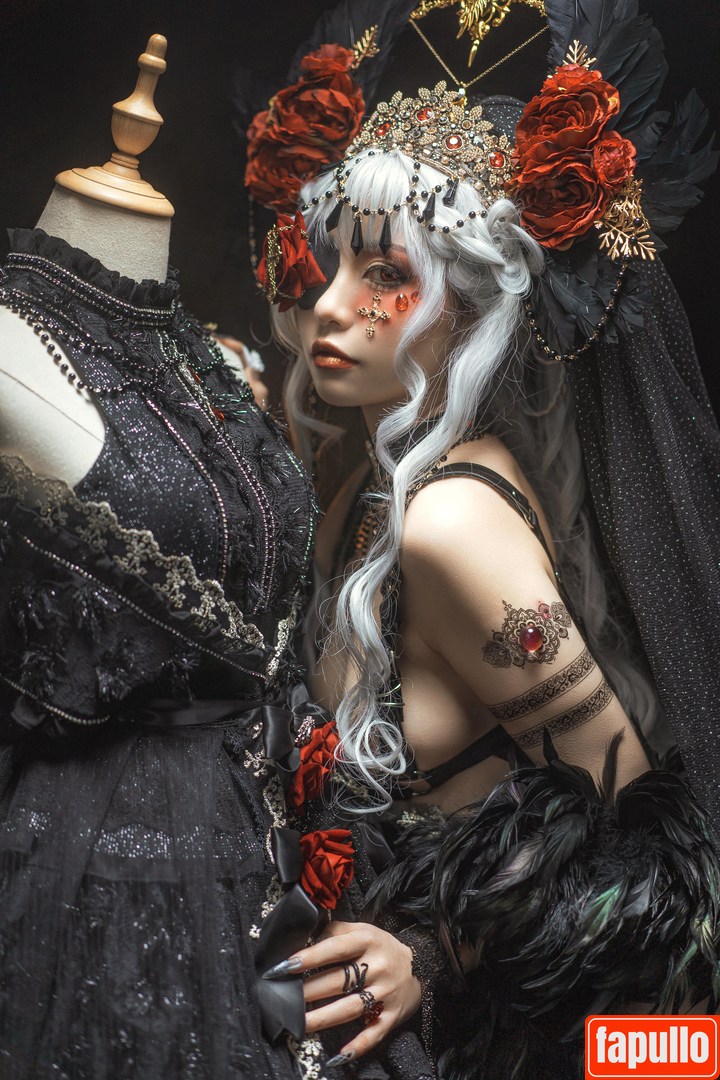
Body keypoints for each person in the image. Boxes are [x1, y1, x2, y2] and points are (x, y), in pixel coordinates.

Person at [252, 2, 720, 1075]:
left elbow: (656, 857)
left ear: (469, 308)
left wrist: (439, 953)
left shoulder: (450, 523)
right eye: (334, 266)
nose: (332, 308)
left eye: (386, 275)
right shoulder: (366, 500)